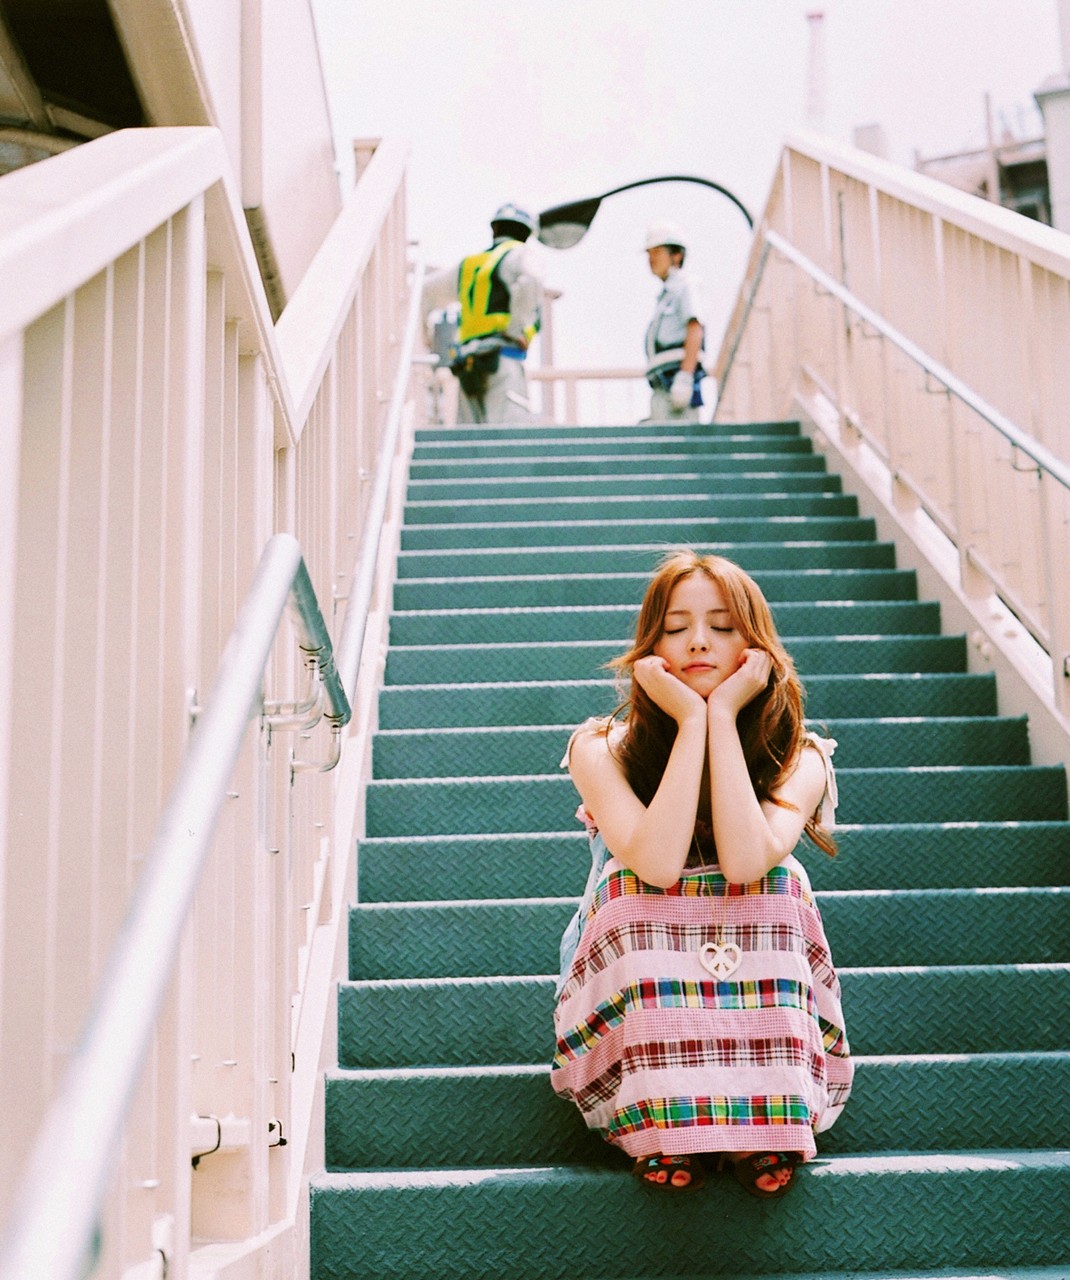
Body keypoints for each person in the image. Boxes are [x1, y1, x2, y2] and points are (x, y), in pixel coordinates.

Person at [551, 549, 852, 1197]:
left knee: (778, 881)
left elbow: (746, 861)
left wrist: (722, 718)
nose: (697, 642)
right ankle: (662, 1119)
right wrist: (691, 720)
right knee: (630, 886)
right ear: (650, 643)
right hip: (633, 966)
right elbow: (658, 864)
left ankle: (763, 1118)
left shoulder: (801, 754)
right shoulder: (600, 747)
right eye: (676, 627)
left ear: (756, 645)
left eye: (721, 626)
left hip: (749, 956)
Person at [422, 203, 542, 424]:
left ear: (495, 229)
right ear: (527, 234)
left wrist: (426, 337)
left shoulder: (469, 265)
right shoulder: (520, 255)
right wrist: (516, 329)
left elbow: (426, 292)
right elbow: (530, 280)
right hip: (503, 358)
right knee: (508, 434)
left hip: (468, 364)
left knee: (471, 437)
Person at [643, 222, 705, 423]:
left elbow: (695, 328)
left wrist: (685, 377)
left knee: (678, 439)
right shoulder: (666, 293)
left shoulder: (686, 285)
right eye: (649, 254)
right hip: (663, 384)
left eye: (657, 252)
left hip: (677, 381)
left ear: (676, 255)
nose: (651, 259)